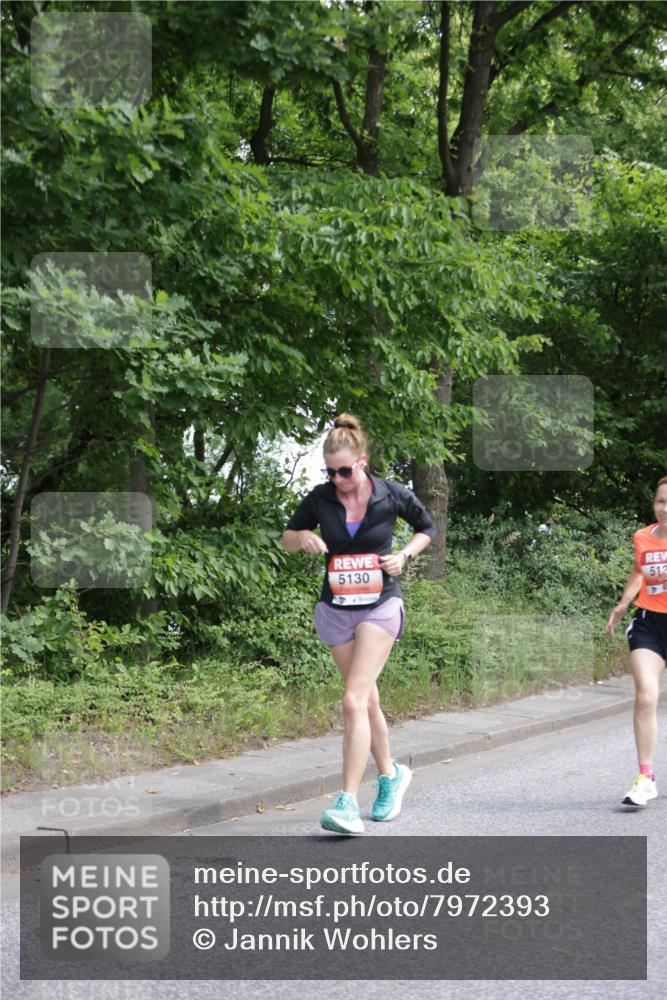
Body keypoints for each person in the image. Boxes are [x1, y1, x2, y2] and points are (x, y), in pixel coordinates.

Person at [282, 414, 436, 834]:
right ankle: (391, 776)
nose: (338, 478)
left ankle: (347, 803)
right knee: (366, 701)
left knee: (352, 700)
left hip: (380, 606)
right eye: (330, 471)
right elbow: (287, 537)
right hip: (335, 608)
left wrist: (404, 555)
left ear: (363, 461)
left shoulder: (390, 495)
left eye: (345, 470)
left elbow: (427, 527)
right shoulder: (320, 498)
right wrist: (304, 539)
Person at [605, 475, 667, 806]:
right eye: (661, 501)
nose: (665, 509)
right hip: (649, 624)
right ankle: (646, 777)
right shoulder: (643, 536)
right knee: (646, 695)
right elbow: (639, 570)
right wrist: (624, 602)